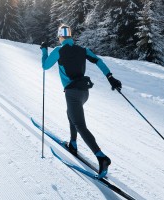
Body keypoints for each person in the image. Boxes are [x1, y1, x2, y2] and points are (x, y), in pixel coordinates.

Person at [40, 24, 122, 178]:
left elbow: (45, 66)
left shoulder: (59, 50)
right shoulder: (82, 50)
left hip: (72, 93)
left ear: (60, 36)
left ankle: (101, 157)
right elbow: (97, 61)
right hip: (84, 93)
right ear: (71, 36)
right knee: (71, 114)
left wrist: (44, 50)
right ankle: (73, 143)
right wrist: (110, 77)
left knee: (80, 125)